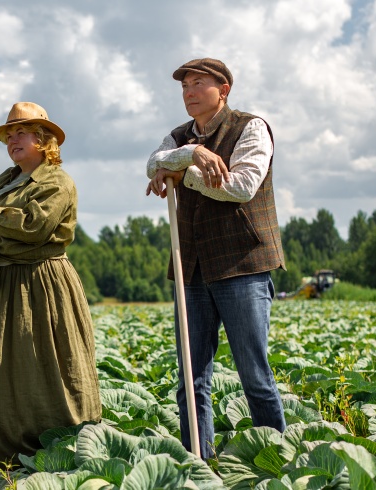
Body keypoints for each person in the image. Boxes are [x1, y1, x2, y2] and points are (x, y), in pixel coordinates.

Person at [145, 58, 286, 459]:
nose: (189, 91)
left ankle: (275, 459)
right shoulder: (178, 136)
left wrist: (181, 171)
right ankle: (199, 463)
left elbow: (241, 186)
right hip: (191, 265)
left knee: (254, 376)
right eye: (184, 85)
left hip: (242, 265)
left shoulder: (251, 128)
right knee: (191, 378)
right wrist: (192, 152)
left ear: (223, 90)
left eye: (198, 83)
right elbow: (153, 163)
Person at [0, 101, 101, 475]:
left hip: (43, 283)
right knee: (0, 368)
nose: (12, 140)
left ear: (43, 139)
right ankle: (5, 457)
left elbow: (35, 226)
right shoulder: (2, 182)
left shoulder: (57, 181)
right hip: (1, 283)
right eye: (9, 135)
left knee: (52, 365)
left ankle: (64, 449)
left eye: (20, 133)